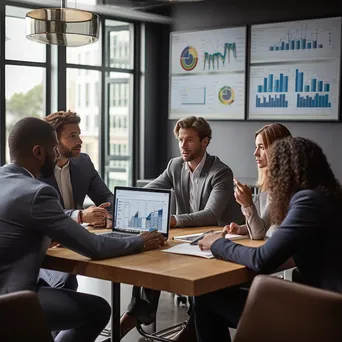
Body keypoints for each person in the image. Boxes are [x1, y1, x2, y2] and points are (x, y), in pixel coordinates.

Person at [0, 117, 165, 342]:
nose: (56, 154)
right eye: (53, 149)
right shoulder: (36, 192)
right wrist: (140, 241)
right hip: (12, 301)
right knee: (98, 310)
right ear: (39, 152)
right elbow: (93, 246)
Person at [194, 136, 342, 342]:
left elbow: (261, 260)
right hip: (329, 304)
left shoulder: (308, 201)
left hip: (323, 312)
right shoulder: (329, 196)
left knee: (205, 297)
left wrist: (216, 243)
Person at [120, 116, 243, 340]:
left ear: (205, 142)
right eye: (180, 140)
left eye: (189, 140)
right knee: (152, 253)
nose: (183, 146)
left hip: (221, 240)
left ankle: (192, 326)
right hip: (189, 239)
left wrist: (173, 220)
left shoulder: (221, 172)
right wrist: (124, 206)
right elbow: (150, 190)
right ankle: (137, 312)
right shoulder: (175, 165)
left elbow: (210, 214)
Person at [38, 110, 113, 291]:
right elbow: (44, 213)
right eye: (72, 136)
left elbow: (106, 197)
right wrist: (80, 216)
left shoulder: (83, 162)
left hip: (73, 242)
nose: (79, 141)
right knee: (65, 279)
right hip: (45, 247)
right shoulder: (36, 169)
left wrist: (108, 215)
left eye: (79, 135)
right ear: (53, 141)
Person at [228, 123, 291, 240]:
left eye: (262, 148)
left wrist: (247, 205)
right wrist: (242, 229)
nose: (255, 153)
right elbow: (263, 225)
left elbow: (258, 234)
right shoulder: (269, 185)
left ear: (278, 150)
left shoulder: (283, 189)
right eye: (256, 147)